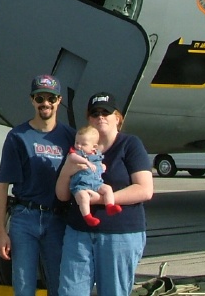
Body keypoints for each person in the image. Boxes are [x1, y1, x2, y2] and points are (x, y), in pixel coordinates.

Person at [56, 92, 154, 296]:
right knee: (70, 291)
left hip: (119, 234)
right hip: (79, 233)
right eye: (95, 113)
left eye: (106, 112)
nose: (100, 116)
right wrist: (67, 169)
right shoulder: (79, 149)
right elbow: (62, 196)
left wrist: (102, 199)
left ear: (117, 117)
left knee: (114, 292)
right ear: (89, 119)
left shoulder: (130, 145)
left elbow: (145, 189)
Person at [0, 74, 76, 296]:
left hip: (57, 219)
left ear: (59, 100)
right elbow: (2, 186)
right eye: (40, 98)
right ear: (32, 100)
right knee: (23, 285)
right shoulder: (18, 136)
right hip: (25, 218)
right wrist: (1, 232)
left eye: (51, 98)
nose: (45, 104)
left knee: (59, 285)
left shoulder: (70, 137)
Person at [67, 125, 122, 227]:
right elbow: (72, 157)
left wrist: (102, 167)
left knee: (107, 188)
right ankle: (87, 216)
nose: (78, 146)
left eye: (83, 144)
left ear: (94, 147)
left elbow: (98, 167)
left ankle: (109, 205)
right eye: (77, 142)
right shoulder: (77, 153)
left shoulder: (96, 155)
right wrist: (86, 162)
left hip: (96, 183)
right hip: (80, 185)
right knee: (83, 198)